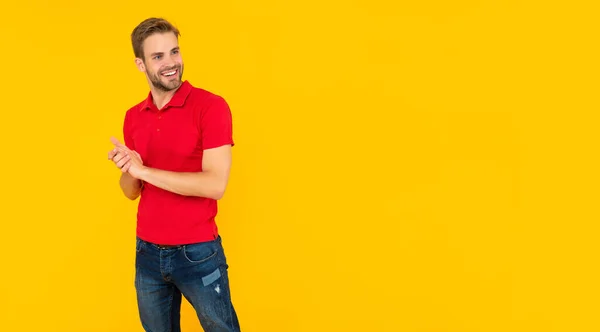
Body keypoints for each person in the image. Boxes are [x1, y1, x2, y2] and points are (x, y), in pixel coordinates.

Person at [107, 17, 241, 332]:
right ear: (140, 64)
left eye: (174, 52)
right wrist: (129, 169)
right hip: (148, 254)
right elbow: (131, 190)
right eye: (158, 57)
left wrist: (144, 170)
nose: (171, 63)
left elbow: (215, 184)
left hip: (197, 253)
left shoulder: (211, 107)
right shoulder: (133, 116)